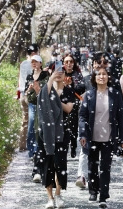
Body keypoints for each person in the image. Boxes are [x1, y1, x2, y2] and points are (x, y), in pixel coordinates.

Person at [78, 66, 123, 208]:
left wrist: (121, 138)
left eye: (104, 74)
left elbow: (120, 118)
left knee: (105, 167)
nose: (102, 77)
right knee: (92, 165)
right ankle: (93, 191)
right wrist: (83, 133)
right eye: (99, 74)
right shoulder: (89, 95)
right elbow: (82, 115)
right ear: (94, 78)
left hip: (109, 137)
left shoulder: (115, 94)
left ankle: (104, 195)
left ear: (108, 77)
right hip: (92, 136)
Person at [37, 62, 75, 209]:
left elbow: (68, 109)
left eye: (61, 72)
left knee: (60, 164)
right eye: (56, 72)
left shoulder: (68, 91)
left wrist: (57, 98)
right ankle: (50, 198)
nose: (59, 74)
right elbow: (41, 99)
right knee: (47, 164)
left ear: (65, 75)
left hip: (62, 132)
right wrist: (51, 80)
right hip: (46, 134)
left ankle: (58, 194)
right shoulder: (46, 89)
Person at [75, 51, 109, 189]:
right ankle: (82, 176)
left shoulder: (110, 81)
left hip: (105, 124)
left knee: (102, 156)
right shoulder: (87, 79)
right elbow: (75, 91)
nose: (101, 65)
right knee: (85, 150)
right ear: (93, 64)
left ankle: (98, 180)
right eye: (98, 62)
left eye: (104, 63)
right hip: (88, 122)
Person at [24, 55, 50, 182]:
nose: (34, 64)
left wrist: (37, 89)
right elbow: (27, 94)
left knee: (40, 132)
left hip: (42, 107)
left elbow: (46, 92)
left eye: (36, 62)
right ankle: (33, 152)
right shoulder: (29, 76)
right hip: (32, 105)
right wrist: (29, 90)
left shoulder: (45, 75)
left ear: (40, 63)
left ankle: (39, 161)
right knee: (31, 129)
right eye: (32, 62)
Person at [17, 44, 39, 151]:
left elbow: (20, 80)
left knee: (25, 120)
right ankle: (32, 145)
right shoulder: (32, 64)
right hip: (29, 95)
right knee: (33, 120)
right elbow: (34, 79)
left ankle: (22, 145)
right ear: (34, 53)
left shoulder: (23, 64)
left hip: (22, 95)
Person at [63, 54, 85, 158]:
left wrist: (71, 86)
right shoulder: (60, 74)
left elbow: (82, 87)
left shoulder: (77, 74)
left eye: (71, 61)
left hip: (74, 103)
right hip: (62, 103)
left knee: (73, 126)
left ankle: (73, 146)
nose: (69, 64)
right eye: (66, 62)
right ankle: (65, 146)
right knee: (64, 126)